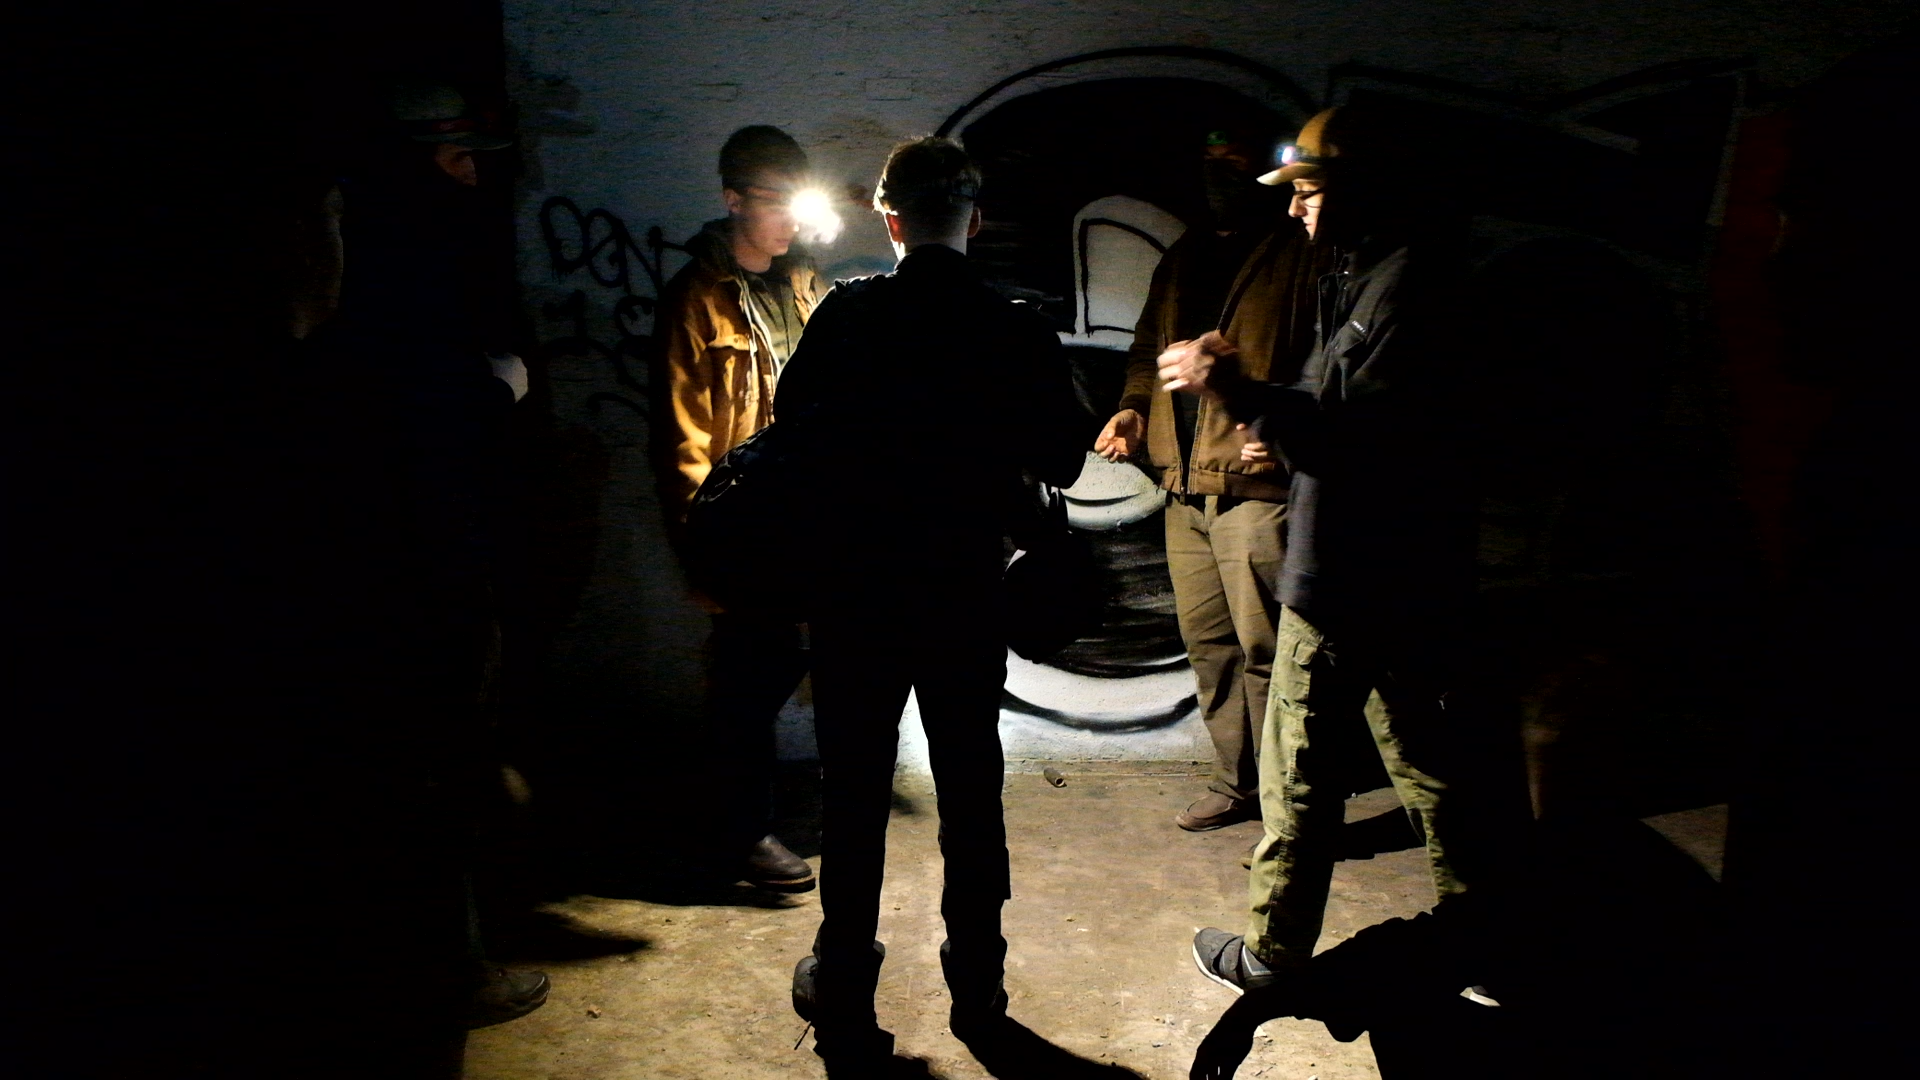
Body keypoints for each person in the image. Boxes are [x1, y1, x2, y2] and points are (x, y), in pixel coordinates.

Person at [1162, 107, 1508, 996]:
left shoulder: (1405, 289)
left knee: (1299, 773)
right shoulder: (1379, 278)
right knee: (1430, 765)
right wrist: (1274, 417)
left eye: (1310, 192)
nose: (1295, 210)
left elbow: (1359, 442)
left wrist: (1237, 390)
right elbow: (1341, 409)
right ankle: (1484, 942)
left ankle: (1273, 957)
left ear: (1366, 192)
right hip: (1402, 576)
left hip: (1353, 577)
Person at [777, 137, 1085, 1073]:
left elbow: (791, 436)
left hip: (858, 595)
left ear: (891, 219)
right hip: (961, 593)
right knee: (969, 791)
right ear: (974, 220)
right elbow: (1065, 458)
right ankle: (978, 987)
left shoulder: (847, 315)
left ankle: (844, 986)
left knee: (855, 793)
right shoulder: (1011, 326)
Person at [330, 80, 546, 1029]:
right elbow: (415, 411)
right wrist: (497, 386)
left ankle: (438, 951)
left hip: (419, 552)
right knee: (437, 760)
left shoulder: (373, 255)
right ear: (416, 165)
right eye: (457, 160)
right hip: (423, 561)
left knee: (438, 759)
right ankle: (448, 968)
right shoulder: (401, 267)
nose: (471, 179)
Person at [1093, 124, 1337, 834]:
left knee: (1271, 654)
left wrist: (1283, 431)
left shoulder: (1301, 256)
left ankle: (1292, 805)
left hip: (1258, 490)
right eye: (1209, 164)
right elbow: (1146, 348)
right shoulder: (1185, 256)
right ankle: (1240, 785)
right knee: (1212, 649)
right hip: (1183, 486)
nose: (1217, 178)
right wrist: (1134, 408)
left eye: (1233, 164)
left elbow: (1322, 361)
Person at [655, 125, 825, 891]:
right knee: (746, 677)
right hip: (744, 526)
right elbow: (683, 438)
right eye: (775, 201)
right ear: (733, 201)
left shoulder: (805, 286)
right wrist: (703, 549)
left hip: (807, 517)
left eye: (798, 200)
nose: (790, 218)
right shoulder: (697, 298)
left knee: (793, 662)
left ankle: (758, 813)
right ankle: (738, 831)